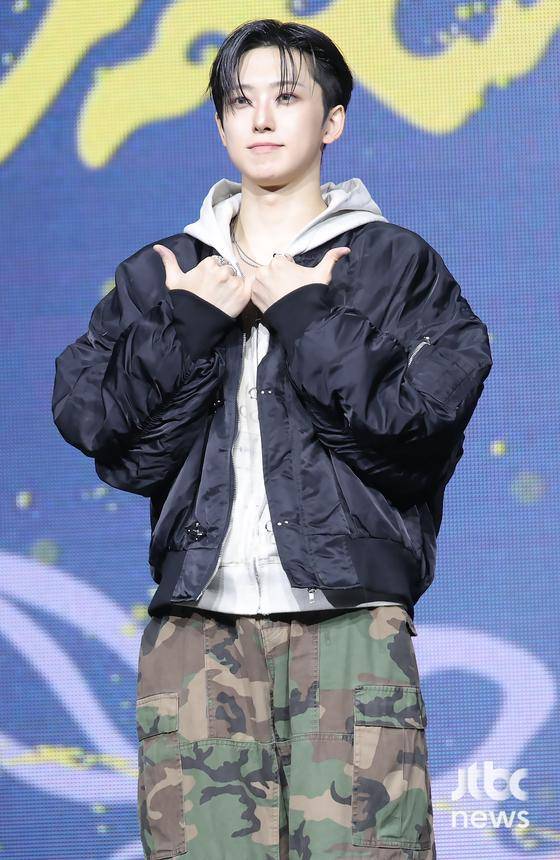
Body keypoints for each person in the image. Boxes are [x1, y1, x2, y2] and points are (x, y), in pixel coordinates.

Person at [52, 18, 492, 859]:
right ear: (220, 125)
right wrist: (187, 321)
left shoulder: (396, 265)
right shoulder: (166, 273)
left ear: (333, 120)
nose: (260, 118)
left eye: (286, 97)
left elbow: (422, 429)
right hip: (197, 629)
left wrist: (304, 314)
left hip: (350, 622)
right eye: (239, 101)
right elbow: (93, 419)